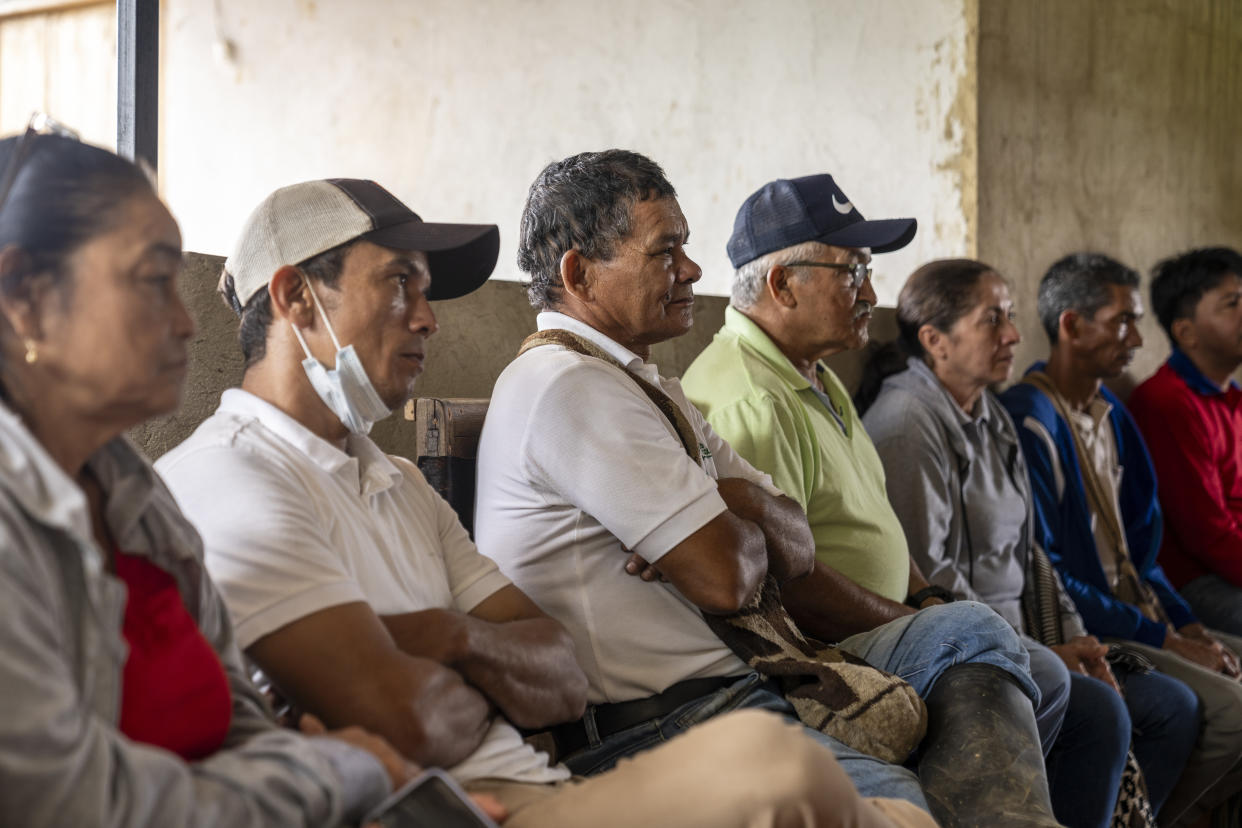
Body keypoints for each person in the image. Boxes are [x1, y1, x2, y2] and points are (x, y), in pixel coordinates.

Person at [156, 177, 933, 828]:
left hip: (544, 784)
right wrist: (478, 670)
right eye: (399, 283)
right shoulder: (235, 480)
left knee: (901, 809)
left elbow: (557, 679)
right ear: (296, 296)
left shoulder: (399, 482)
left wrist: (440, 640)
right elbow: (407, 720)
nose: (428, 317)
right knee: (778, 768)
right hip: (473, 807)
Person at [475, 150, 1057, 827]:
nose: (692, 270)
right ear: (579, 273)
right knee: (901, 809)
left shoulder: (646, 384)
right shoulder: (568, 385)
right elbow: (729, 575)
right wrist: (731, 516)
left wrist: (732, 505)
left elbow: (795, 541)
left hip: (753, 681)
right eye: (667, 251)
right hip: (670, 722)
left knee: (969, 632)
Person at [681, 177, 1127, 828]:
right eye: (852, 272)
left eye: (869, 272)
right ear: (782, 286)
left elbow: (880, 522)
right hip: (823, 651)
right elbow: (784, 586)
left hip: (886, 625)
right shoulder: (753, 400)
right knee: (1025, 665)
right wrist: (925, 624)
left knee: (1077, 695)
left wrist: (927, 602)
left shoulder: (816, 372)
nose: (870, 293)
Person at [0, 126, 412, 826]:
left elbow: (238, 723)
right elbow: (81, 807)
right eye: (154, 279)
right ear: (25, 296)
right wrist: (338, 772)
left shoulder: (133, 491)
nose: (189, 323)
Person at [860, 258, 1199, 824]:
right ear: (935, 340)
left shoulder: (989, 411)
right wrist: (1035, 649)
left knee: (1166, 705)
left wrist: (1078, 637)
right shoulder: (908, 423)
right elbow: (930, 578)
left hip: (1026, 631)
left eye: (1011, 316)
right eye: (993, 320)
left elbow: (1032, 552)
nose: (1014, 334)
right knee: (1106, 713)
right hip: (969, 645)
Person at [1000, 251, 1242, 825]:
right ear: (1071, 326)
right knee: (1227, 712)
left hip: (1140, 606)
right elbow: (1051, 572)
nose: (1136, 337)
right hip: (1092, 622)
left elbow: (1142, 550)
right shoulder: (1031, 418)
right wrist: (1166, 635)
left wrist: (1184, 623)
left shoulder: (1111, 411)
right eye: (1122, 321)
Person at [1129, 247, 1242, 638]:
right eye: (1233, 303)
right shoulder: (1167, 402)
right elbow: (1208, 537)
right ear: (1186, 331)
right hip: (1197, 583)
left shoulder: (1233, 398)